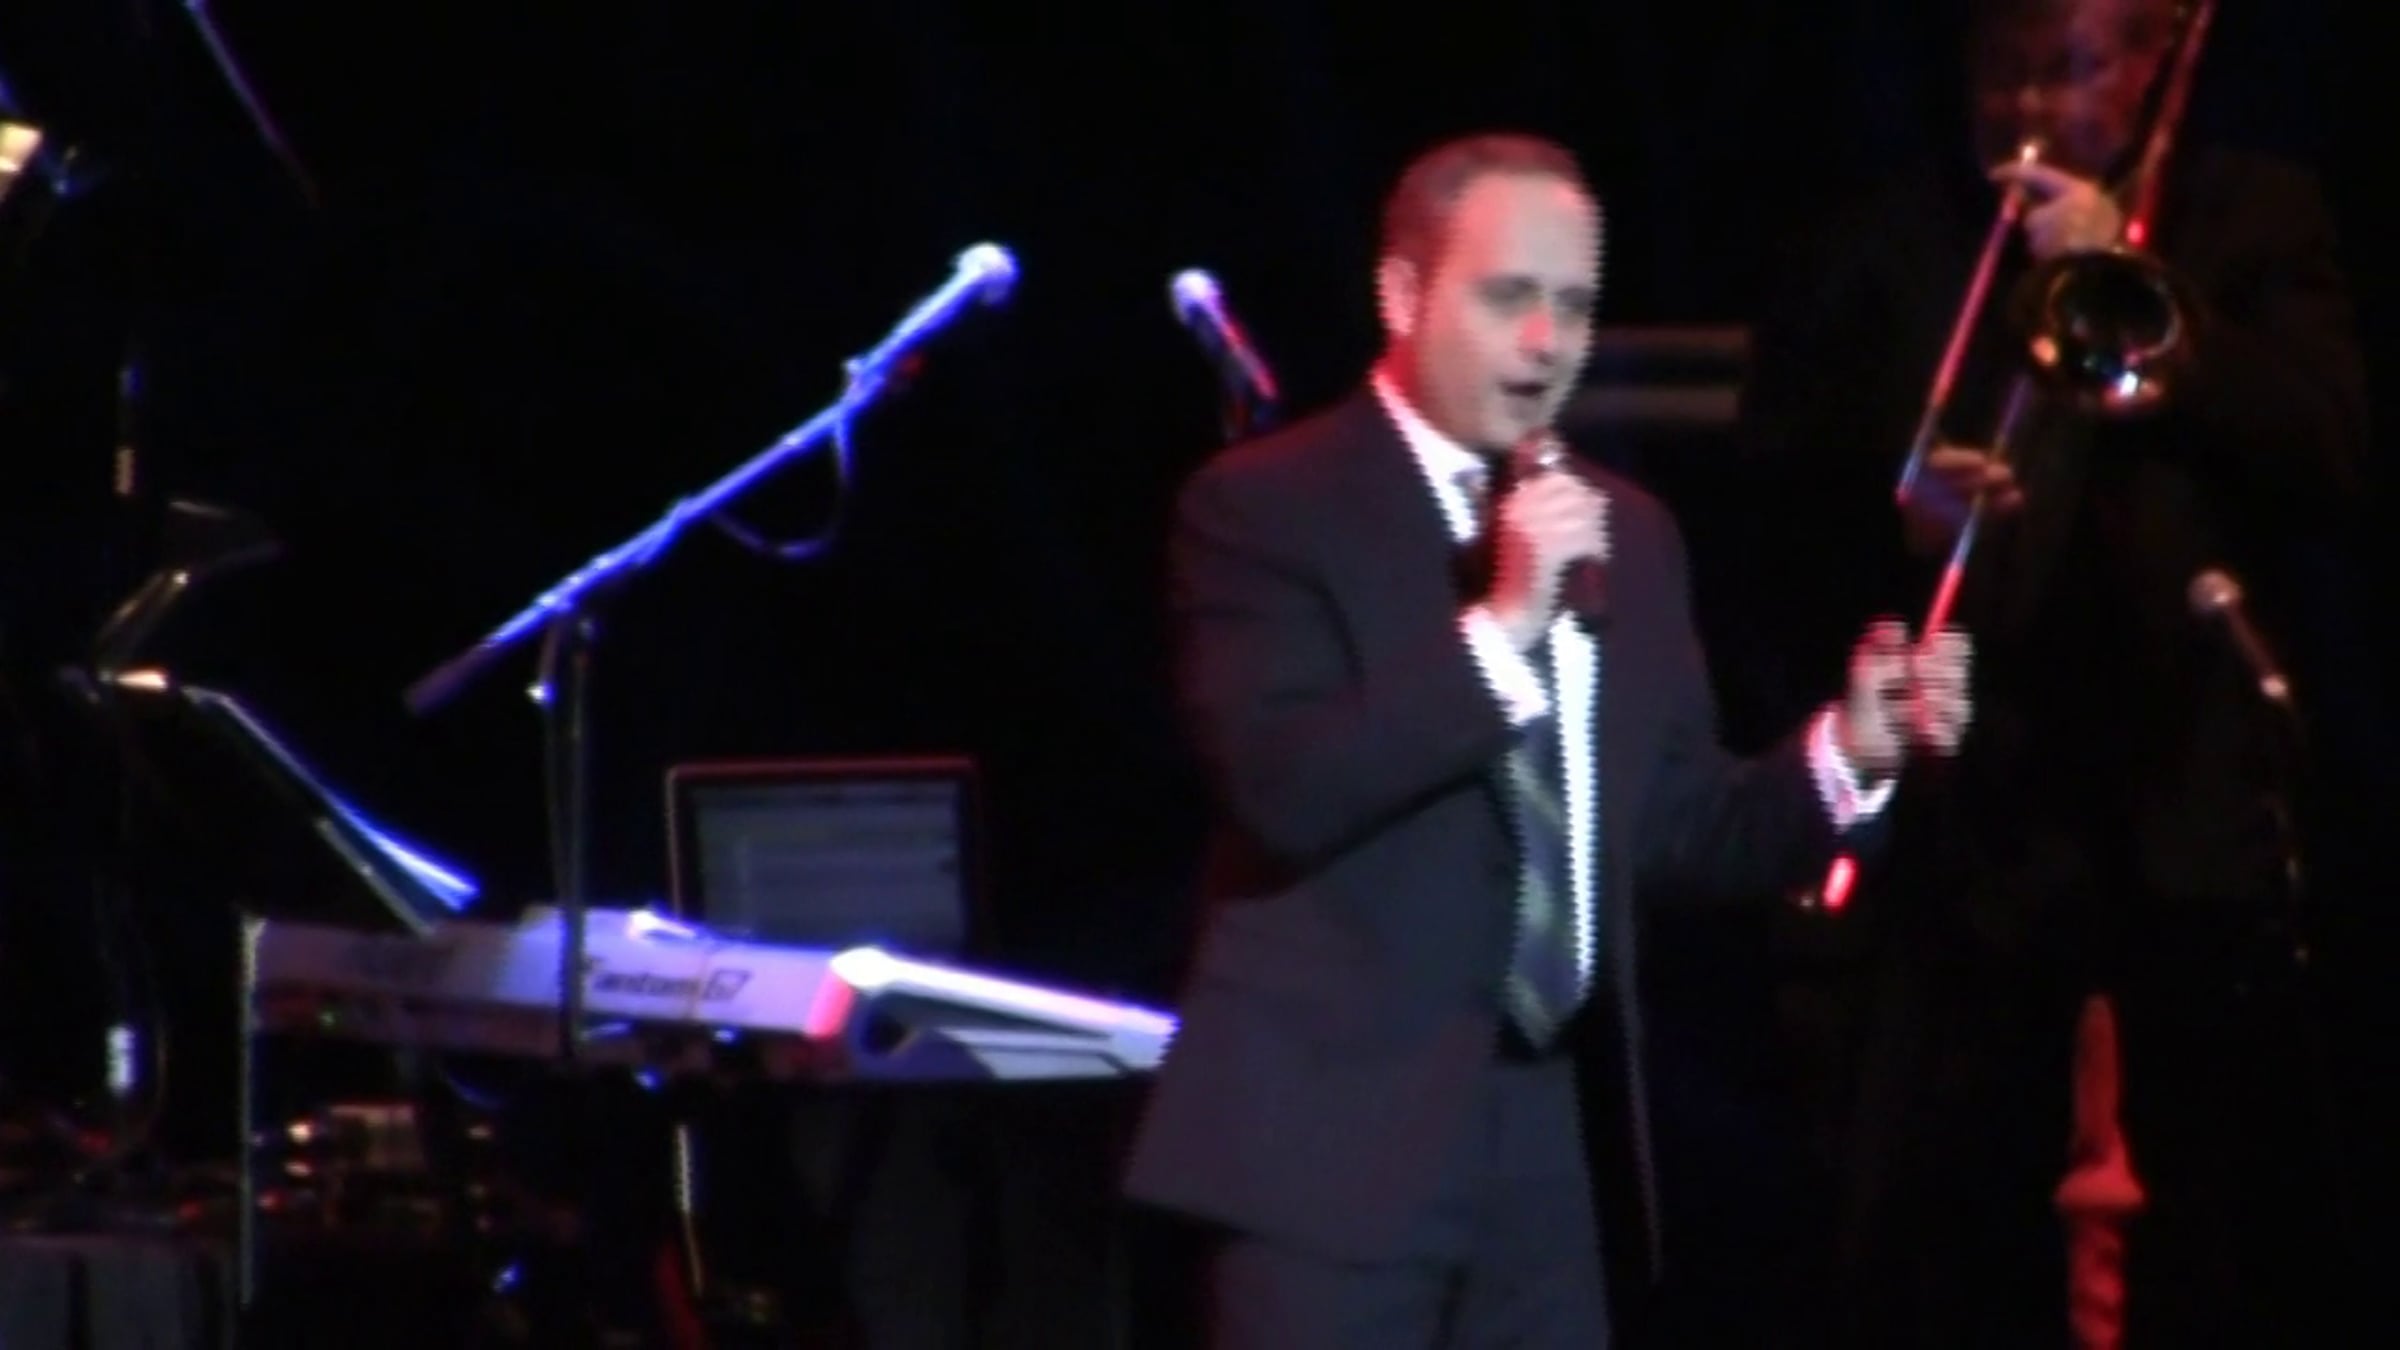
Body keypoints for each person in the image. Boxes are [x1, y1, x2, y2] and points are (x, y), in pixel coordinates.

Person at [1120, 131, 1974, 1350]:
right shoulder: (1266, 507)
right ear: (1402, 295)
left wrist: (1848, 752)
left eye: (1573, 306)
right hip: (1328, 1150)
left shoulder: (1631, 530)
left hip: (1554, 1153)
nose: (1546, 341)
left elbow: (1675, 828)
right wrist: (1506, 624)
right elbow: (1284, 787)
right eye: (1507, 297)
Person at [1732, 1, 2370, 1345]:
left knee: (2212, 1222)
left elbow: (2326, 451)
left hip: (2185, 798)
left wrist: (2146, 292)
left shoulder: (2252, 216)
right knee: (1964, 1221)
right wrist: (1896, 508)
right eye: (2001, 74)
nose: (2027, 112)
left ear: (2147, 67)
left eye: (2067, 71)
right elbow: (1772, 493)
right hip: (1975, 815)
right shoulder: (1885, 242)